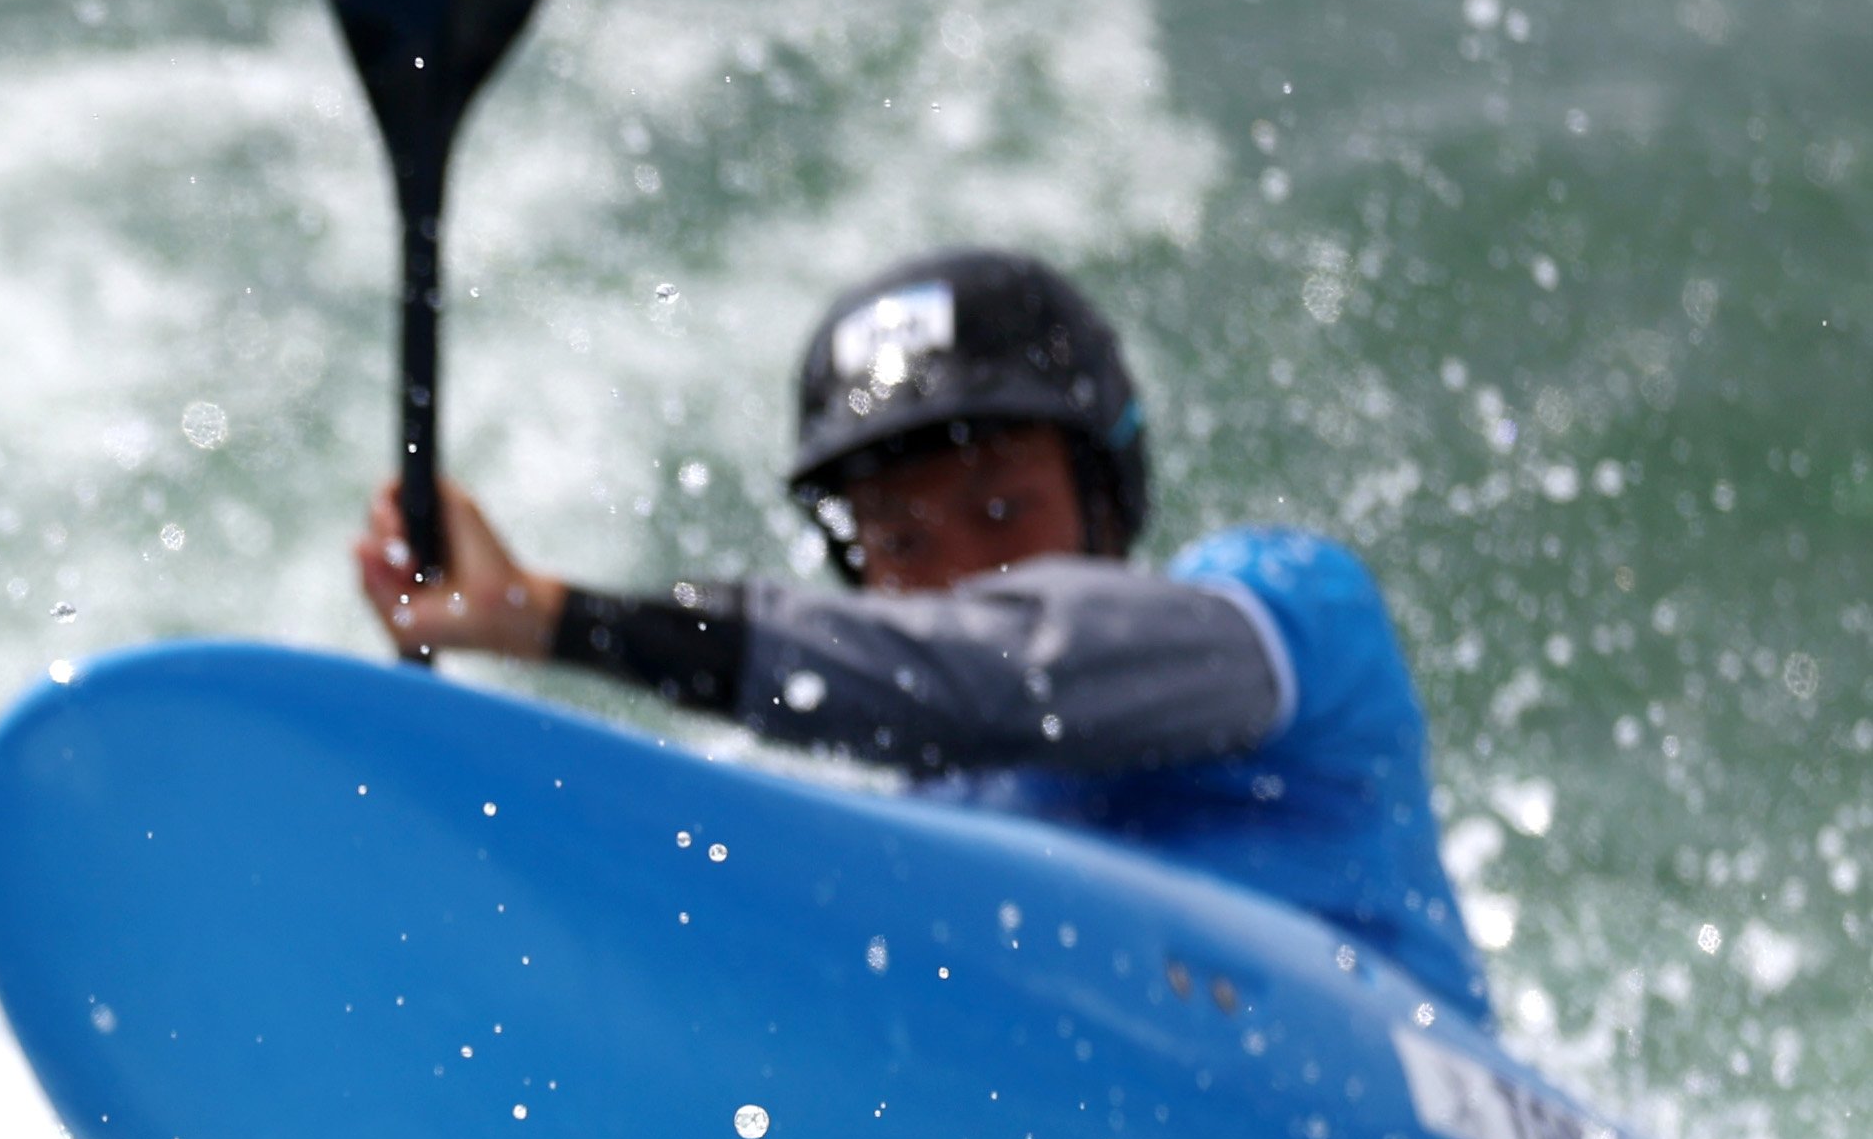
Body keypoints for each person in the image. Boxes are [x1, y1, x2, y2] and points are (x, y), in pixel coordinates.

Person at [353, 243, 1488, 1016]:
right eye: (899, 541)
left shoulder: (1284, 617)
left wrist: (561, 620)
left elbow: (998, 668)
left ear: (1109, 499)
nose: (954, 575)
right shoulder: (918, 848)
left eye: (1001, 509)